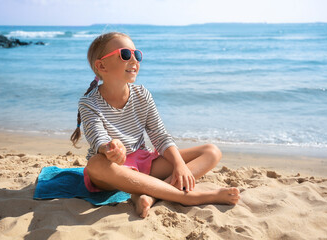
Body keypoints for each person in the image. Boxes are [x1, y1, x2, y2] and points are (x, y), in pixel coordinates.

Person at [70, 32, 240, 218]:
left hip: (143, 162)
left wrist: (179, 165)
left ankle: (149, 197)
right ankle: (186, 198)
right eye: (125, 54)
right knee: (95, 165)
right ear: (101, 65)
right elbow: (98, 138)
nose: (134, 59)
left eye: (137, 54)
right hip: (113, 168)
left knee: (211, 151)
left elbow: (160, 135)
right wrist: (110, 148)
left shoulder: (142, 95)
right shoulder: (89, 103)